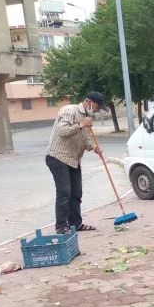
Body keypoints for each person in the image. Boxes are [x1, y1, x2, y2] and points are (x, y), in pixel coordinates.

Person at [45, 91, 108, 234]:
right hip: (57, 157)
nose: (98, 110)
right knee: (64, 192)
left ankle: (75, 224)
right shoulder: (69, 110)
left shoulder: (87, 118)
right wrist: (81, 124)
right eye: (98, 106)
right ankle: (61, 227)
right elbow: (62, 130)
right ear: (89, 101)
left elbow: (85, 139)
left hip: (73, 159)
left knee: (76, 193)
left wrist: (93, 147)